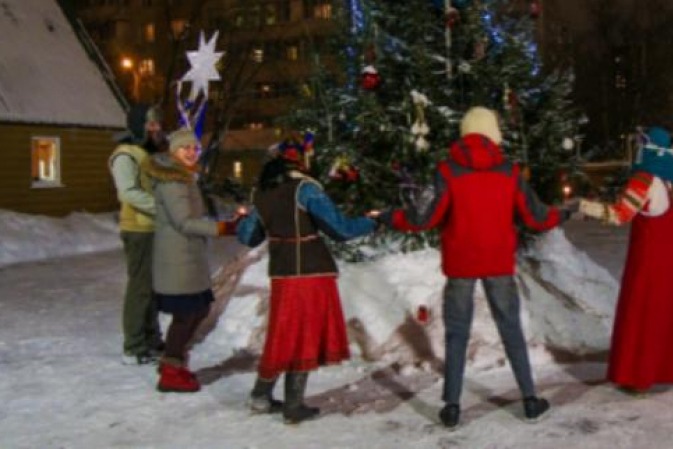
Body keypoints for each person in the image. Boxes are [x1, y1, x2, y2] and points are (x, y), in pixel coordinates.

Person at [381, 106, 569, 429]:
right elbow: (536, 216)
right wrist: (562, 214)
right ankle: (530, 401)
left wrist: (389, 217)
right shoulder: (509, 171)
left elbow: (424, 216)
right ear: (493, 132)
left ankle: (452, 407)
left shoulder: (448, 171)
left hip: (460, 266)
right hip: (498, 264)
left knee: (457, 334)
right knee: (511, 330)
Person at [237, 132, 377, 424]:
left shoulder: (261, 192)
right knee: (303, 334)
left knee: (283, 332)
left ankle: (261, 395)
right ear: (300, 159)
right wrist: (373, 220)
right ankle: (292, 404)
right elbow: (341, 229)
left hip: (282, 272)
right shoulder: (307, 188)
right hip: (310, 271)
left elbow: (248, 236)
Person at [580, 127, 673, 394]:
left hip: (650, 260)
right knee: (672, 313)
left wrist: (583, 206)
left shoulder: (644, 179)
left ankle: (638, 377)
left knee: (644, 314)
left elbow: (620, 214)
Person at [142, 128, 240, 393]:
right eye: (185, 148)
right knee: (188, 313)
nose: (191, 152)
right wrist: (222, 229)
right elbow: (183, 222)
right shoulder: (173, 181)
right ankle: (171, 371)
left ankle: (173, 362)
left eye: (194, 148)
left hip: (188, 255)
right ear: (173, 151)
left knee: (198, 309)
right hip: (177, 257)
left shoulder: (184, 177)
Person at [109, 104, 165, 365]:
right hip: (138, 229)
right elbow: (128, 192)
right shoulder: (125, 156)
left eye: (157, 123)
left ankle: (152, 339)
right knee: (140, 288)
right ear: (138, 126)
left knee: (154, 289)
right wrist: (162, 207)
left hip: (154, 228)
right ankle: (133, 345)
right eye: (150, 123)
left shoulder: (145, 153)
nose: (156, 128)